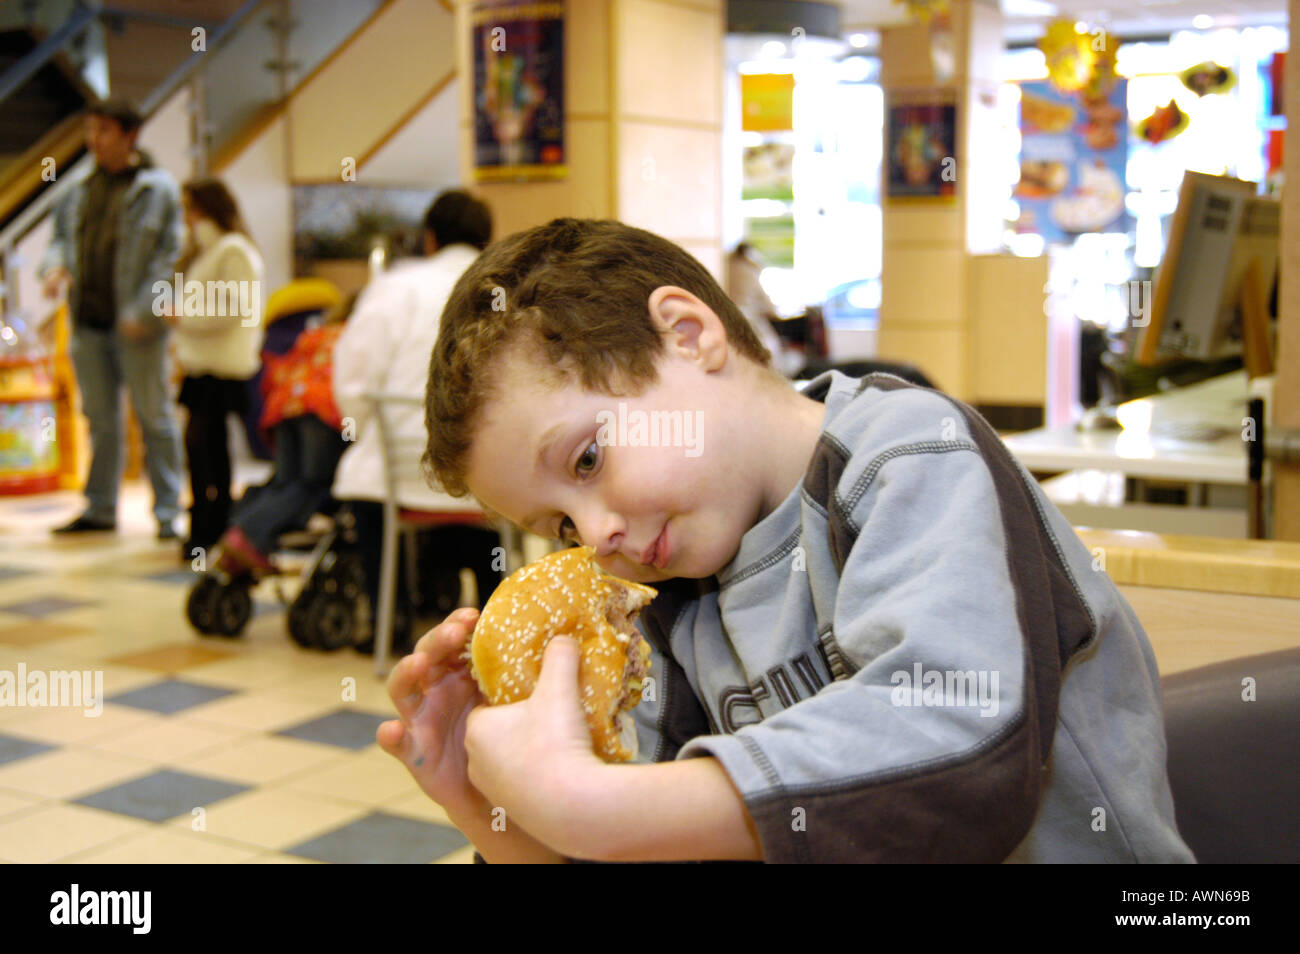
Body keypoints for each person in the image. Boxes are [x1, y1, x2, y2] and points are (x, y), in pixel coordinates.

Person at [376, 218, 1195, 864]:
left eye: (588, 459)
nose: (596, 537)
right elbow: (648, 845)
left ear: (689, 335)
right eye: (557, 527)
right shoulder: (671, 599)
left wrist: (595, 804)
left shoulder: (907, 453)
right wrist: (480, 803)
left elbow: (962, 745)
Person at [331, 189, 496, 650]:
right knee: (486, 502)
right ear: (486, 241)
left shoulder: (396, 287)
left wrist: (365, 426)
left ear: (429, 238)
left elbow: (355, 377)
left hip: (398, 472)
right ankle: (496, 625)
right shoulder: (504, 286)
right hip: (485, 483)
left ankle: (390, 617)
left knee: (362, 478)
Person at [39, 96, 185, 538]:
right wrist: (53, 268)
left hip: (139, 328)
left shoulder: (158, 191)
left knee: (154, 418)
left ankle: (168, 514)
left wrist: (144, 311)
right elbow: (59, 241)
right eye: (90, 131)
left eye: (102, 132)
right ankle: (99, 508)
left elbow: (171, 257)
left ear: (129, 136)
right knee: (100, 421)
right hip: (88, 323)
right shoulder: (79, 189)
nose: (93, 141)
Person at [213, 296, 353, 577]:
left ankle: (235, 531)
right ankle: (248, 536)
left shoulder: (315, 334)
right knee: (310, 485)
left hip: (284, 407)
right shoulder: (355, 335)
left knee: (284, 481)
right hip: (322, 411)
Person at [165, 179, 264, 559]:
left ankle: (211, 527)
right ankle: (205, 525)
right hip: (203, 365)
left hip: (221, 367)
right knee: (203, 448)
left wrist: (184, 318)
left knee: (208, 449)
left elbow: (235, 307)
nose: (186, 216)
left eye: (190, 207)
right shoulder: (209, 250)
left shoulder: (232, 251)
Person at [725, 241, 801, 377]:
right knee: (771, 353)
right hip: (750, 322)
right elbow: (769, 308)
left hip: (729, 319)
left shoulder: (727, 266)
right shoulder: (750, 271)